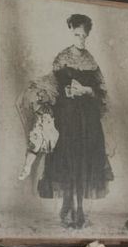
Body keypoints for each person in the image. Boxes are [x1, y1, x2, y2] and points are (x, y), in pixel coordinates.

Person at [40, 13, 114, 229]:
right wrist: (58, 93)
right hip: (66, 119)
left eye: (84, 35)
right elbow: (51, 86)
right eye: (77, 34)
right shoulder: (62, 57)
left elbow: (102, 92)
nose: (80, 39)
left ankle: (80, 209)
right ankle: (67, 204)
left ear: (88, 35)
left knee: (83, 163)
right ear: (71, 32)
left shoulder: (91, 60)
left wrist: (86, 90)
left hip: (87, 122)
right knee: (66, 161)